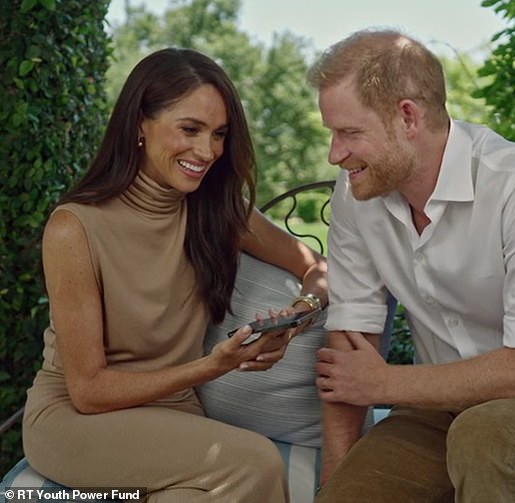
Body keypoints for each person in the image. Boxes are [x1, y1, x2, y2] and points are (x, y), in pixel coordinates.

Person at [307, 29, 515, 502]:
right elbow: (351, 352)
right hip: (433, 409)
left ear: (407, 116)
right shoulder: (356, 194)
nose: (335, 154)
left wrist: (387, 382)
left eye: (350, 133)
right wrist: (334, 482)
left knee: (487, 440)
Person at [22, 47, 327, 503]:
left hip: (172, 413)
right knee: (254, 461)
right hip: (77, 419)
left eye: (219, 134)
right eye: (190, 129)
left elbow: (316, 267)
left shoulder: (218, 210)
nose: (207, 152)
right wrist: (213, 366)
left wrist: (301, 313)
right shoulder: (74, 227)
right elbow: (88, 390)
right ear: (140, 125)